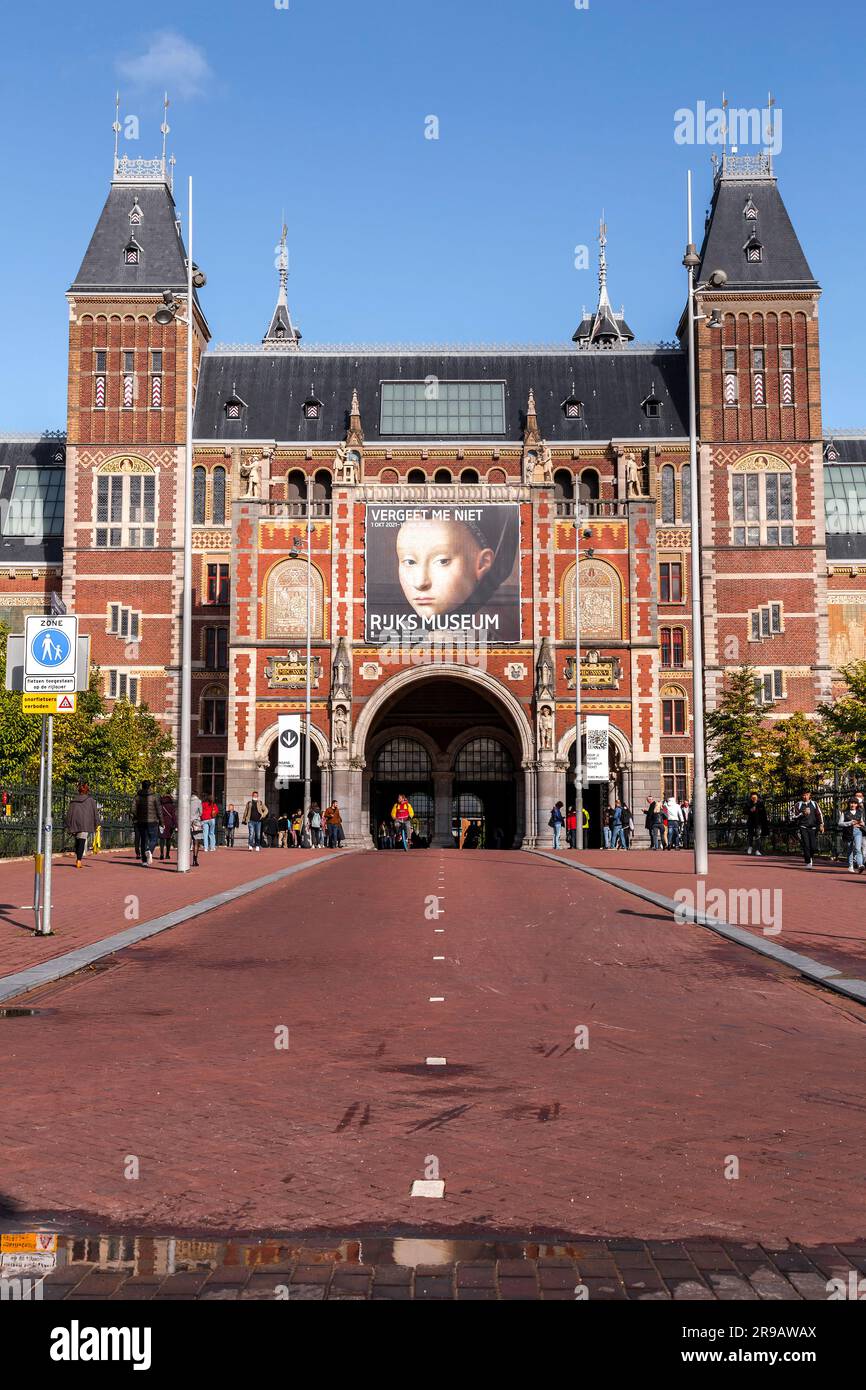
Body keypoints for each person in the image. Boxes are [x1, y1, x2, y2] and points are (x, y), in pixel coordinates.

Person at [66, 782, 100, 868]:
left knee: (78, 840)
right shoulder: (91, 800)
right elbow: (95, 813)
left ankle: (78, 857)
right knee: (81, 841)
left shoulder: (73, 800)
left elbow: (69, 813)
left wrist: (68, 824)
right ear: (87, 790)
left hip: (74, 823)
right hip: (85, 823)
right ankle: (79, 860)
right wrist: (97, 824)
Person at [132, 780, 160, 866]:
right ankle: (150, 850)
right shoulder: (154, 797)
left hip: (141, 822)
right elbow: (159, 810)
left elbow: (133, 810)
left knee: (143, 840)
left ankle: (144, 861)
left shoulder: (137, 797)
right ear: (149, 786)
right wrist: (162, 821)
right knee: (154, 839)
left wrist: (136, 817)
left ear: (142, 786)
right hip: (152, 821)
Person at [793, 790, 824, 868]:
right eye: (803, 795)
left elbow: (819, 814)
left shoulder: (814, 804)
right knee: (806, 844)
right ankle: (808, 862)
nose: (805, 796)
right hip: (803, 827)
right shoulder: (798, 805)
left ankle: (810, 857)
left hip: (813, 827)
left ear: (809, 795)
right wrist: (802, 814)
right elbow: (793, 816)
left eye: (807, 795)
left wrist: (821, 824)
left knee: (813, 846)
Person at [839, 798, 864, 873]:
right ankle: (851, 866)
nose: (853, 805)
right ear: (849, 804)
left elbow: (862, 822)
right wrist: (850, 823)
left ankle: (860, 865)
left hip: (858, 832)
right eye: (851, 803)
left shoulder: (860, 813)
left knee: (858, 848)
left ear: (857, 804)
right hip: (848, 832)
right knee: (850, 849)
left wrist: (862, 824)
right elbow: (840, 823)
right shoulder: (845, 813)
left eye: (854, 803)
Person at [743, 792, 768, 856]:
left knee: (758, 835)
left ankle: (757, 850)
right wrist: (750, 810)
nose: (754, 799)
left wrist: (764, 821)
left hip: (758, 822)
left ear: (757, 798)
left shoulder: (760, 803)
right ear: (751, 798)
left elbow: (764, 813)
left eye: (755, 797)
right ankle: (750, 847)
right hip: (751, 821)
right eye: (752, 798)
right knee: (750, 834)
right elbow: (744, 811)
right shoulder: (748, 803)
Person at [157, 792, 177, 862]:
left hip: (161, 823)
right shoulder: (171, 806)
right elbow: (174, 816)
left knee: (162, 839)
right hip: (170, 824)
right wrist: (176, 824)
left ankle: (161, 854)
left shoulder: (160, 805)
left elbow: (158, 814)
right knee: (168, 839)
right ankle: (167, 854)